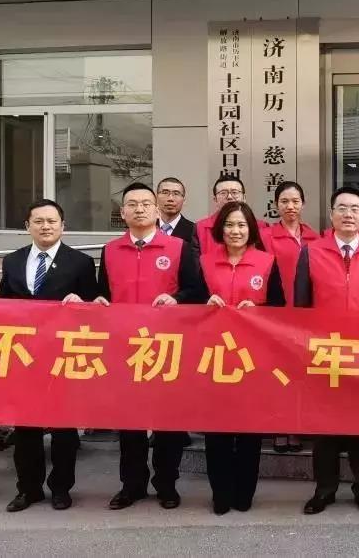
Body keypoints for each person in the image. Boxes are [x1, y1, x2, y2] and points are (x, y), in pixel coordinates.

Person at [0, 199, 97, 512]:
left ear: (63, 226)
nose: (46, 226)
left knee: (64, 428)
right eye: (39, 221)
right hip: (23, 357)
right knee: (25, 428)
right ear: (27, 226)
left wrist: (82, 303)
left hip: (63, 356)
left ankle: (61, 488)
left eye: (52, 221)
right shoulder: (13, 260)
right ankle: (28, 488)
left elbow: (97, 305)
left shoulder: (80, 263)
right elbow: (5, 303)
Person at [91, 182, 207, 511]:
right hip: (126, 349)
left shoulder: (178, 248)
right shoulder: (111, 250)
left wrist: (176, 298)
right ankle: (132, 484)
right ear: (123, 212)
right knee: (130, 424)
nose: (139, 209)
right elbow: (103, 294)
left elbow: (197, 291)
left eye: (145, 203)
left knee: (169, 422)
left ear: (157, 210)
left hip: (168, 348)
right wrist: (98, 302)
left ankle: (166, 483)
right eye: (132, 204)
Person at [294, 186, 359, 516]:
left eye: (354, 209)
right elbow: (301, 306)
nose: (348, 214)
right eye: (342, 208)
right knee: (325, 428)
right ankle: (324, 489)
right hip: (324, 353)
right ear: (331, 213)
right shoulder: (312, 252)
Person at [200, 201, 285, 515]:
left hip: (253, 359)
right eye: (229, 225)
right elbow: (189, 303)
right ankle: (220, 492)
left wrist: (260, 311)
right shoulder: (205, 262)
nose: (235, 231)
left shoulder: (267, 262)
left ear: (251, 230)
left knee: (250, 429)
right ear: (220, 229)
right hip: (214, 357)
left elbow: (280, 306)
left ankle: (244, 491)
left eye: (241, 225)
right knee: (217, 429)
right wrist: (204, 302)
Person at [262, 180, 319, 454]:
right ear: (276, 205)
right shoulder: (266, 237)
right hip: (276, 314)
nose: (290, 206)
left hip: (305, 315)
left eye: (295, 201)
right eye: (284, 201)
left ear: (303, 204)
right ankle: (279, 428)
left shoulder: (315, 238)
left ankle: (296, 427)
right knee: (277, 373)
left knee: (300, 373)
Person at [195, 175, 269, 256]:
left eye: (234, 192)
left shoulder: (261, 226)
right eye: (223, 193)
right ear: (215, 199)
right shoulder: (200, 228)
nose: (229, 197)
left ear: (244, 198)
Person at [156, 177, 198, 251]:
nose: (170, 199)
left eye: (176, 193)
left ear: (184, 201)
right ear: (156, 197)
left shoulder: (195, 231)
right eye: (165, 192)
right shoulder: (146, 228)